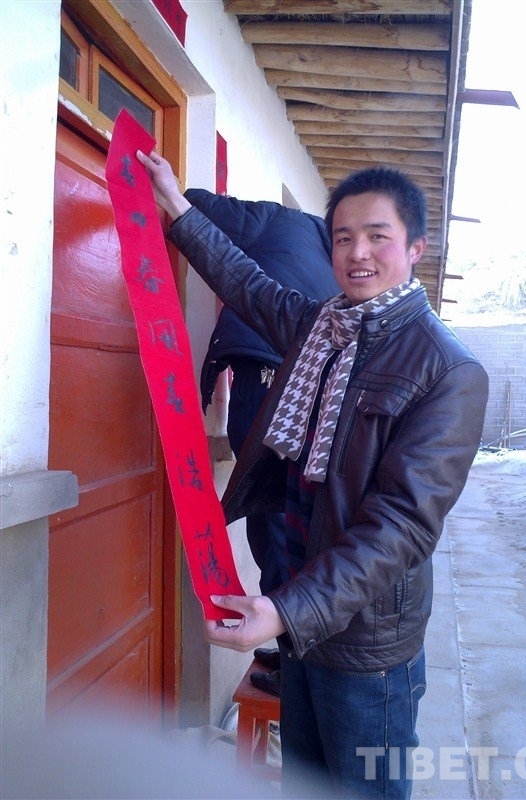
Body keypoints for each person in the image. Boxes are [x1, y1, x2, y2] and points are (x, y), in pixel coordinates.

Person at [138, 149, 489, 800]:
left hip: (363, 644)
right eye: (343, 238)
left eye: (377, 236)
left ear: (415, 248)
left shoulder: (449, 372)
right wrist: (174, 204)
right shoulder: (321, 328)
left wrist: (284, 611)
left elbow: (401, 528)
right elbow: (246, 282)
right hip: (299, 618)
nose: (358, 253)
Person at [187, 188, 339, 599]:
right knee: (292, 501)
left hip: (267, 369)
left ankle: (281, 617)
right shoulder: (338, 258)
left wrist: (168, 189)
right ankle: (291, 615)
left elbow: (201, 205)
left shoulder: (279, 219)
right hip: (313, 382)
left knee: (267, 497)